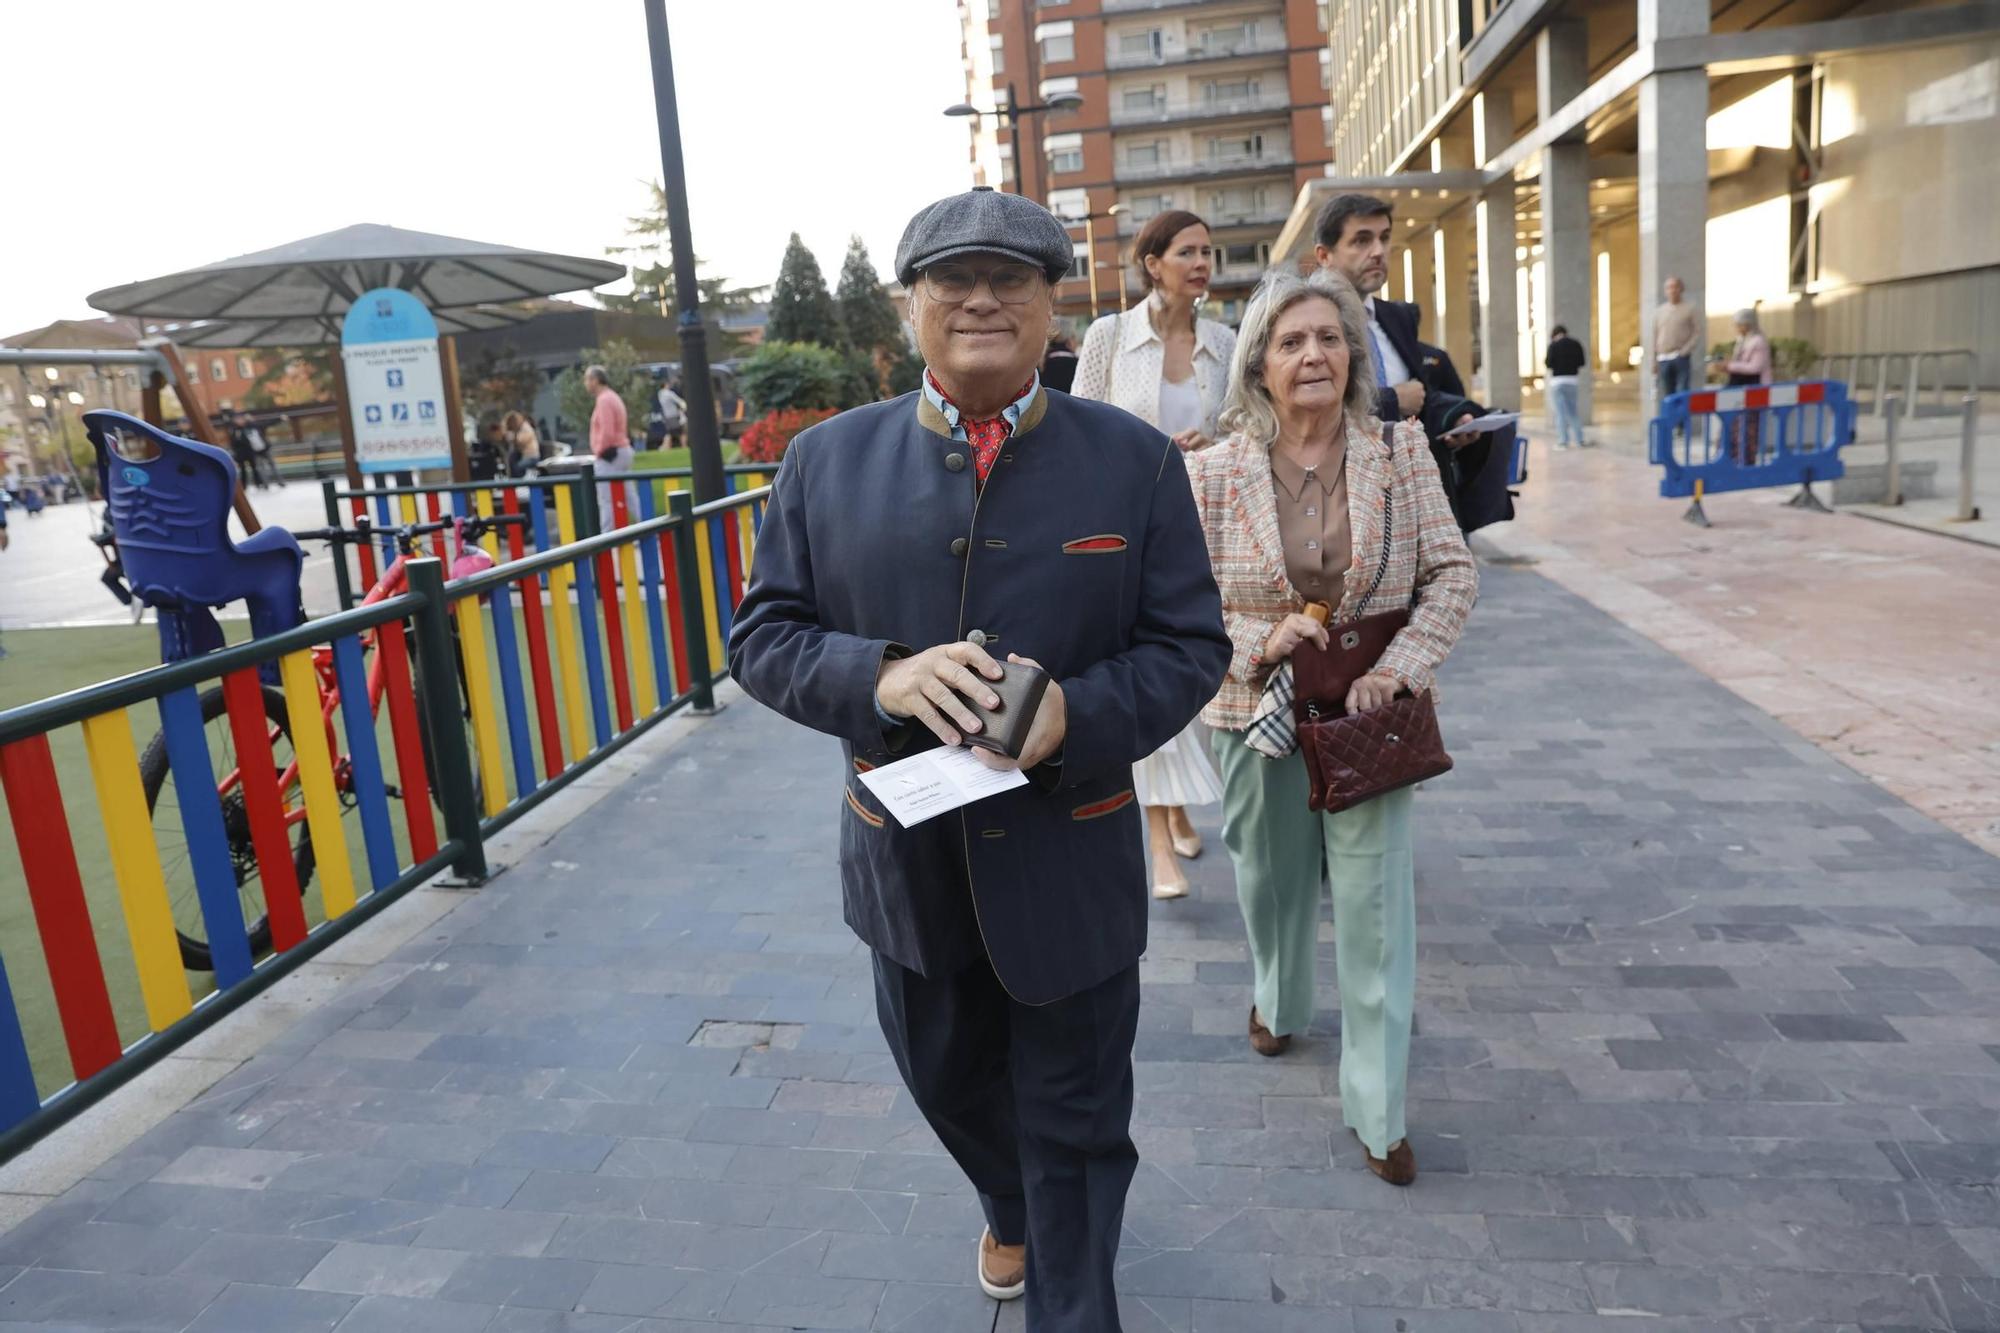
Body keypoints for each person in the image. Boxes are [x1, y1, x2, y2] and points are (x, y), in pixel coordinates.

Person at [727, 186, 1230, 1330]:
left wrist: (1072, 717)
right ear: (911, 306)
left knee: (1078, 1124)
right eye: (951, 279)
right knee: (949, 1081)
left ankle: (1070, 1297)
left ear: (1054, 306)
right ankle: (1002, 1196)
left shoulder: (1135, 463)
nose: (980, 300)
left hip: (1069, 861)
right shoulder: (824, 462)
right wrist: (882, 675)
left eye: (1011, 278)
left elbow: (1188, 645)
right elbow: (762, 637)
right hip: (904, 865)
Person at [1189, 266, 1476, 1187]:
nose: (1312, 353)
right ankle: (1277, 996)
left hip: (1367, 718)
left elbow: (1453, 575)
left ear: (1351, 352)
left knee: (1376, 911)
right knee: (1269, 877)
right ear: (1259, 365)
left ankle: (1380, 1110)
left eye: (1328, 337)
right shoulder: (1211, 470)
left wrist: (1397, 672)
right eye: (1289, 340)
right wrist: (1256, 638)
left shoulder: (1399, 452)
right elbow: (1179, 602)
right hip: (1256, 709)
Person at [1072, 209, 1235, 899]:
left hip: (1211, 528)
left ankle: (1175, 808)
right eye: (1187, 251)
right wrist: (1145, 451)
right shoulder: (1108, 335)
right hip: (1130, 528)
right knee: (1148, 665)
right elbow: (1077, 428)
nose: (1201, 262)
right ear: (1153, 263)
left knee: (1195, 673)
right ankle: (1158, 840)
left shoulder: (1226, 341)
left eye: (1208, 252)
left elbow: (1250, 426)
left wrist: (1215, 443)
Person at [1311, 193, 1505, 532]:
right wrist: (1391, 400)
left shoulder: (1395, 317)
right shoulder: (1305, 323)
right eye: (1361, 240)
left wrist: (1454, 419)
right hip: (1343, 508)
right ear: (1324, 255)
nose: (1377, 251)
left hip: (1417, 501)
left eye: (1384, 238)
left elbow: (1421, 394)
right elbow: (1304, 410)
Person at [1718, 307, 1773, 464]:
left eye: (1739, 325)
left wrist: (1730, 366)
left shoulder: (1758, 342)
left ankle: (1745, 459)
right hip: (1738, 388)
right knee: (1733, 424)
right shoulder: (1742, 341)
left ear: (1747, 324)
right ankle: (1731, 457)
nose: (1737, 328)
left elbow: (1755, 367)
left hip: (1754, 388)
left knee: (1748, 426)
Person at [585, 364, 632, 517]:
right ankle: (651, 532)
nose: (585, 383)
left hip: (610, 454)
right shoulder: (611, 397)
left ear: (595, 380)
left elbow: (607, 430)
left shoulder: (604, 400)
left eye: (587, 379)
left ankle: (609, 537)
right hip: (620, 450)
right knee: (629, 496)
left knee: (606, 500)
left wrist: (598, 451)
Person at [1653, 275, 1702, 402]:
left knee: (1682, 392)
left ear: (1681, 289)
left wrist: (1685, 350)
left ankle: (1682, 421)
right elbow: (1655, 335)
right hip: (1663, 358)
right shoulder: (1660, 311)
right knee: (1668, 394)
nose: (1672, 290)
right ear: (1665, 291)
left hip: (1680, 357)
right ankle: (1672, 421)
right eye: (1669, 287)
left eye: (1675, 287)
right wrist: (1654, 359)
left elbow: (1697, 332)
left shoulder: (1690, 309)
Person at [1545, 324, 1588, 450]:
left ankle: (1563, 441)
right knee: (1573, 412)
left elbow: (1548, 363)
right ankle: (1580, 440)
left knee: (1560, 413)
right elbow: (1582, 362)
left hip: (1557, 382)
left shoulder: (1553, 345)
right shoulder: (1575, 343)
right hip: (1572, 381)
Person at [502, 411, 540, 476]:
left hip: (531, 457)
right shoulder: (518, 430)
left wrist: (513, 437)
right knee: (511, 459)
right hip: (522, 456)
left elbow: (521, 441)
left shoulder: (526, 428)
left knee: (517, 468)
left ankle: (520, 483)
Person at [657, 375, 687, 450]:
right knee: (681, 432)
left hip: (667, 416)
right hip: (674, 415)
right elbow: (679, 401)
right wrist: (683, 407)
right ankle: (684, 446)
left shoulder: (660, 394)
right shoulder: (669, 393)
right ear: (665, 385)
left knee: (669, 432)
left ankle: (666, 447)